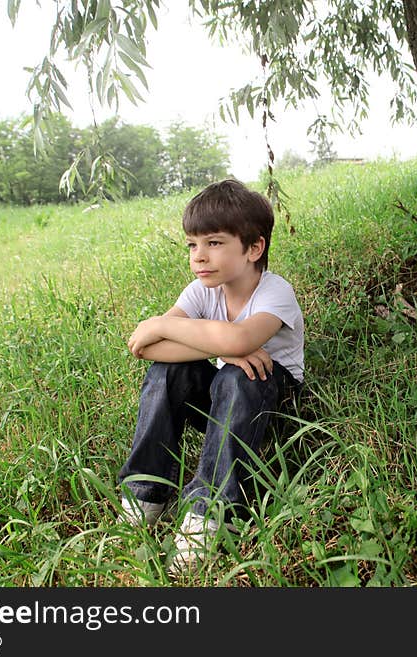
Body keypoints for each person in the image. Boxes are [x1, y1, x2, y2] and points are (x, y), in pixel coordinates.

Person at [116, 178, 305, 570]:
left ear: (254, 248)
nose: (199, 256)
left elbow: (237, 341)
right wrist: (222, 348)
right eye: (192, 245)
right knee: (168, 370)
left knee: (240, 376)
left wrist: (166, 325)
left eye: (214, 243)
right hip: (222, 393)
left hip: (271, 401)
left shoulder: (274, 292)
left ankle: (210, 513)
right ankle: (146, 493)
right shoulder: (202, 291)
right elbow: (145, 346)